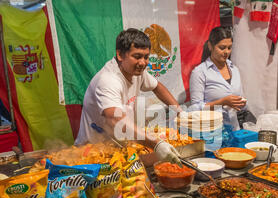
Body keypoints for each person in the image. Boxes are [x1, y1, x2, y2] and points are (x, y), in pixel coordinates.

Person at [75, 28, 183, 165]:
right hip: (93, 153)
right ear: (120, 55)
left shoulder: (137, 72)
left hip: (119, 148)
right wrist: (156, 144)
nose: (143, 63)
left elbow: (157, 87)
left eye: (146, 57)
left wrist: (180, 112)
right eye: (137, 56)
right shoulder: (108, 80)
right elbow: (115, 120)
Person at [189, 26, 249, 130]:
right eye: (222, 48)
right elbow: (194, 109)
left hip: (234, 130)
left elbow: (241, 102)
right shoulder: (200, 72)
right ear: (210, 46)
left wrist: (241, 103)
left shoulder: (234, 69)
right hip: (211, 132)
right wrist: (222, 102)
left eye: (229, 48)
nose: (226, 52)